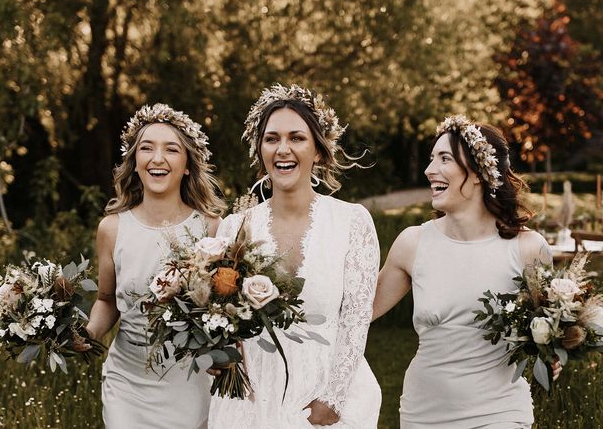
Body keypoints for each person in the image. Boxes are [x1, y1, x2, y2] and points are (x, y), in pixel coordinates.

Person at [208, 84, 381, 428]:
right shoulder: (233, 228)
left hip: (325, 401)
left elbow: (356, 320)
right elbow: (220, 315)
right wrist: (219, 350)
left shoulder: (352, 222)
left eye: (296, 138)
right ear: (260, 150)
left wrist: (332, 398)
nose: (282, 149)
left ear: (318, 150)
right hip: (252, 400)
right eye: (271, 139)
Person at [373, 115, 556, 429]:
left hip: (500, 412)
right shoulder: (412, 243)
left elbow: (551, 326)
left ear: (478, 173)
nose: (430, 170)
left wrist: (553, 351)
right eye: (431, 159)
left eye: (444, 159)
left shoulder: (528, 249)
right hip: (423, 413)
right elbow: (356, 312)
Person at [84, 103, 224, 429]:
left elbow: (225, 309)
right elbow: (106, 301)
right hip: (127, 382)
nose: (157, 158)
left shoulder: (212, 229)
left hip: (190, 383)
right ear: (135, 163)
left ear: (187, 165)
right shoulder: (111, 229)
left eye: (171, 149)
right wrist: (88, 334)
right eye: (147, 148)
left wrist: (223, 351)